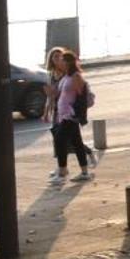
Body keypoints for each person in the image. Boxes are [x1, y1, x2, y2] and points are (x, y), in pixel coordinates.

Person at [50, 51, 95, 185]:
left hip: (70, 116)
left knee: (59, 140)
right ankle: (85, 172)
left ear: (69, 62)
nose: (60, 62)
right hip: (63, 115)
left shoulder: (76, 76)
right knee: (77, 143)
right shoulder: (66, 77)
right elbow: (61, 94)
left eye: (62, 60)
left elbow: (83, 97)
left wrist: (76, 112)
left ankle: (62, 172)